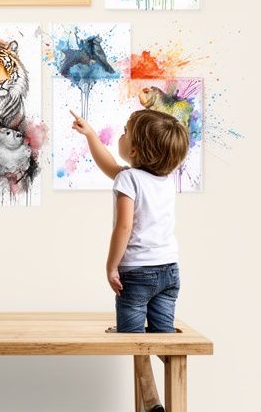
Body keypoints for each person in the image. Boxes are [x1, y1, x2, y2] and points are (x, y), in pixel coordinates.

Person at [71, 108, 189, 412]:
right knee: (163, 340)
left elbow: (123, 228)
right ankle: (171, 385)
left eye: (124, 133)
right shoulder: (163, 181)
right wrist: (91, 136)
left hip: (137, 275)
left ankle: (152, 403)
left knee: (134, 342)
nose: (120, 137)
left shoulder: (128, 181)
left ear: (134, 149)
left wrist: (111, 266)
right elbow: (110, 164)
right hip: (169, 272)